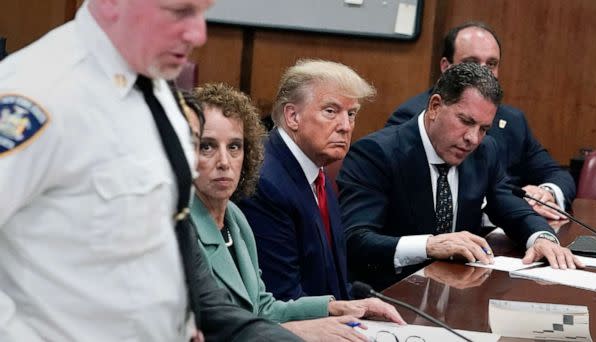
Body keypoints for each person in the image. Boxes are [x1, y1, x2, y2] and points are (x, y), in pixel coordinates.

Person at [0, 1, 301, 341]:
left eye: (202, 12)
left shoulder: (161, 96)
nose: (198, 34)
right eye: (179, 12)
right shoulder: (37, 93)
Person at [338, 63, 583, 291]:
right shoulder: (377, 153)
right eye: (466, 122)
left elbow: (510, 207)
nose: (473, 139)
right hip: (390, 294)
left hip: (455, 293)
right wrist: (429, 245)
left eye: (484, 129)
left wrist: (541, 238)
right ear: (435, 107)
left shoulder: (485, 151)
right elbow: (356, 240)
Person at [189, 83, 405, 341]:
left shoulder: (235, 219)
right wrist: (300, 331)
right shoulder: (180, 229)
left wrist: (334, 307)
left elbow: (262, 308)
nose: (224, 162)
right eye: (207, 147)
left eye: (234, 147)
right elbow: (213, 328)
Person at [385, 22, 575, 221]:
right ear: (446, 67)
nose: (484, 72)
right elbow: (414, 198)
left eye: (491, 64)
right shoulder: (414, 118)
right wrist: (513, 205)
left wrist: (543, 194)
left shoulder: (513, 120)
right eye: (472, 63)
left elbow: (556, 173)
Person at [238, 59, 376, 301]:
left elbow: (330, 278)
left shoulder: (317, 170)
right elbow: (282, 296)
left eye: (351, 114)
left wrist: (362, 305)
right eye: (331, 111)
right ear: (293, 116)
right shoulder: (266, 182)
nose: (345, 126)